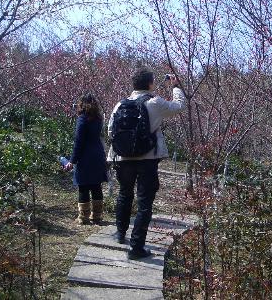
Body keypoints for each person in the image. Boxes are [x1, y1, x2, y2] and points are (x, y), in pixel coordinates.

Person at [107, 67, 186, 260]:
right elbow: (179, 106)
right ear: (150, 84)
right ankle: (136, 247)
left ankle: (120, 234)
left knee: (124, 194)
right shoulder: (155, 102)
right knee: (144, 202)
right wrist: (175, 86)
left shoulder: (120, 104)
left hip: (122, 159)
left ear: (133, 84)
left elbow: (110, 130)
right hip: (147, 159)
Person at [64, 93, 108, 225]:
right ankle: (97, 216)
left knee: (83, 186)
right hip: (98, 154)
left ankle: (83, 217)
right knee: (96, 185)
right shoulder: (98, 119)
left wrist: (72, 160)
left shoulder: (82, 119)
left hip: (85, 156)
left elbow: (79, 141)